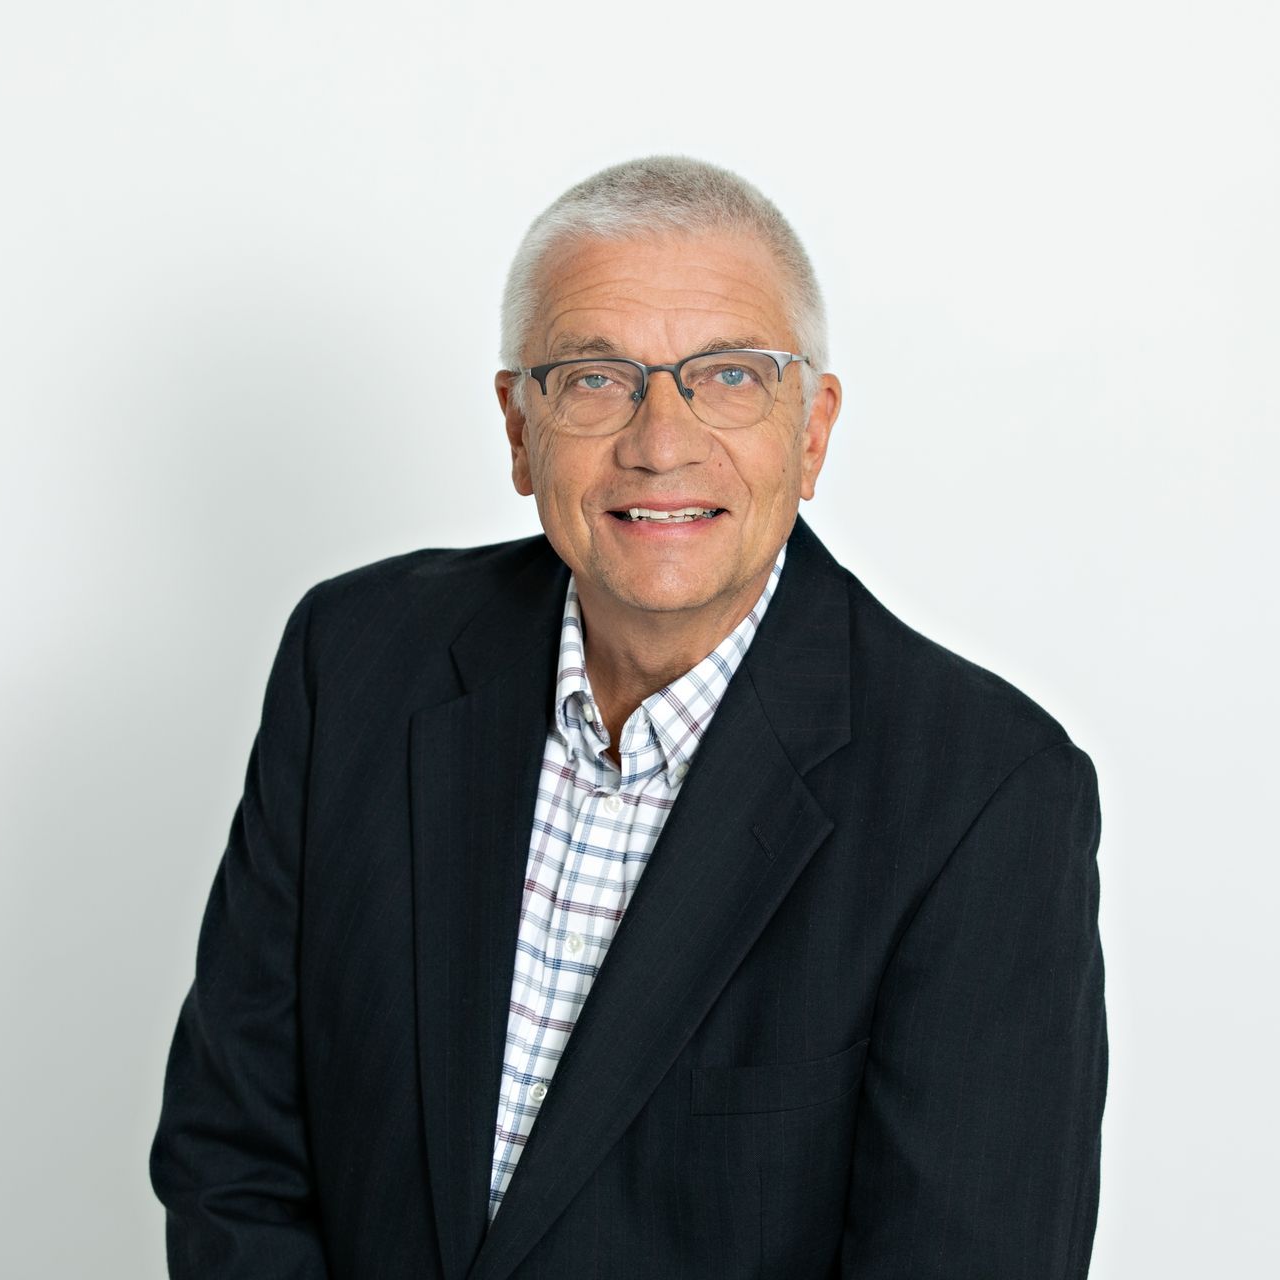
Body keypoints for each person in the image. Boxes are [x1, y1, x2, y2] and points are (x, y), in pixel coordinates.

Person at [150, 156, 1106, 1279]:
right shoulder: (356, 660)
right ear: (519, 427)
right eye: (596, 378)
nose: (661, 441)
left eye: (731, 376)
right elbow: (234, 1156)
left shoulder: (985, 798)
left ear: (812, 431)